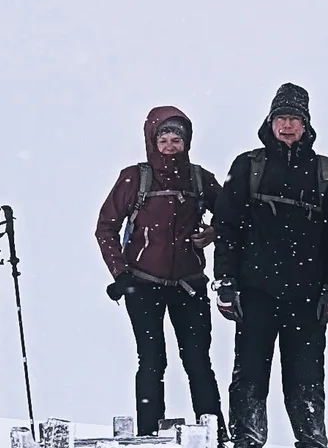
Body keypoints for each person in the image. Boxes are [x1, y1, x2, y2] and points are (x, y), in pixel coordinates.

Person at [213, 83, 328, 448]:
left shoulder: (324, 171)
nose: (287, 125)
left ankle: (311, 441)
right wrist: (225, 281)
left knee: (306, 379)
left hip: (307, 299)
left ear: (306, 125)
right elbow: (226, 227)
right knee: (249, 377)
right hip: (255, 293)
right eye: (281, 118)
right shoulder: (247, 166)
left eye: (294, 118)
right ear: (270, 121)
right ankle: (247, 440)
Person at [95, 106, 226, 437]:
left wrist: (213, 233)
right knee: (152, 363)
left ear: (187, 143)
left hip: (189, 286)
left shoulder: (199, 178)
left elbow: (233, 217)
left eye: (176, 140)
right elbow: (106, 227)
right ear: (152, 141)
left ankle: (216, 435)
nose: (170, 146)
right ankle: (150, 436)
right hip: (143, 285)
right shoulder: (135, 178)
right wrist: (121, 274)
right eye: (163, 139)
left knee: (198, 363)